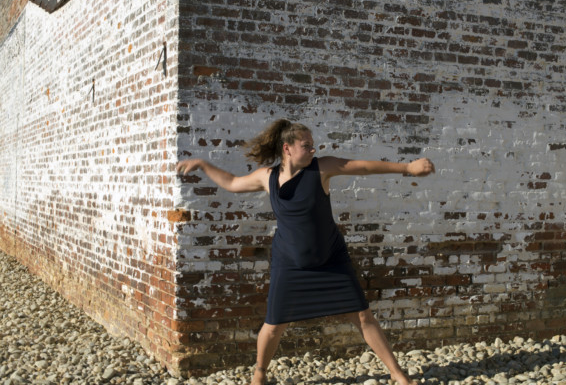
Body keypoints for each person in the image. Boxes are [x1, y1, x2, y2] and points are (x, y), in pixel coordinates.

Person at [176, 119, 435, 385]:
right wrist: (203, 164)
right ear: (287, 148)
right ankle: (259, 374)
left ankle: (398, 374)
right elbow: (232, 182)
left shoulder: (322, 168)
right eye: (306, 145)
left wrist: (408, 168)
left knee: (362, 316)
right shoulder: (267, 177)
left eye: (313, 145)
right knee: (274, 324)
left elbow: (364, 167)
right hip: (289, 262)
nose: (313, 149)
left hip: (331, 258)